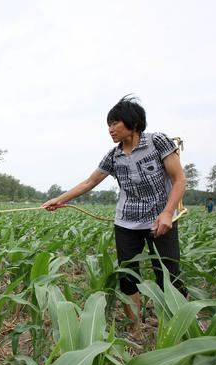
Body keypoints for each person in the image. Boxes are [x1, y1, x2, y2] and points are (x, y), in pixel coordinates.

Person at [42, 95, 186, 338]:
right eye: (108, 124)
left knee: (169, 275)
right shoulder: (114, 156)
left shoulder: (158, 142)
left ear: (133, 123)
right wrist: (60, 199)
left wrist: (167, 213)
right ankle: (136, 329)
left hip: (160, 220)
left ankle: (179, 327)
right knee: (128, 276)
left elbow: (179, 179)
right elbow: (90, 182)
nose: (110, 129)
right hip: (126, 222)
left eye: (115, 123)